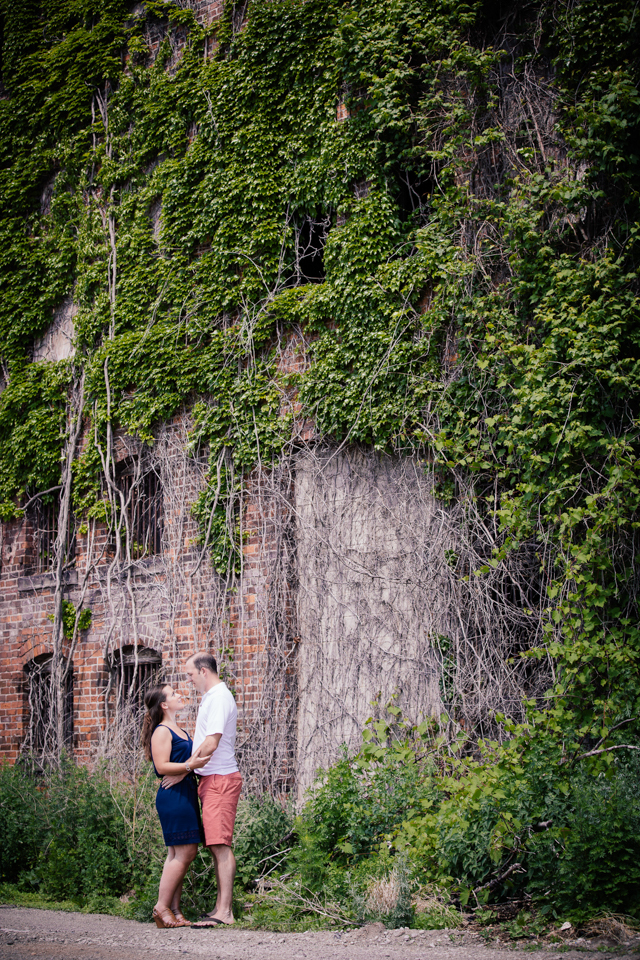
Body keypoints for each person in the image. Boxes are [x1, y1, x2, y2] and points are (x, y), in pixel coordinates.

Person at [161, 652, 242, 927]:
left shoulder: (219, 697)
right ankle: (220, 908)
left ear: (204, 671)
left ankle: (225, 912)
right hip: (212, 780)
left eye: (190, 674)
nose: (188, 679)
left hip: (220, 778)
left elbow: (212, 742)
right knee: (216, 844)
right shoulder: (212, 697)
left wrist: (185, 768)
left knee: (220, 845)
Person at [141, 684, 212, 928]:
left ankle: (174, 910)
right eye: (173, 694)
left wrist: (185, 770)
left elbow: (186, 764)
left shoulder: (178, 729)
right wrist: (187, 768)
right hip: (173, 797)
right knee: (185, 852)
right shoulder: (162, 731)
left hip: (185, 791)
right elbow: (162, 767)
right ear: (163, 704)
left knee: (176, 854)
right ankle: (161, 908)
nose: (179, 695)